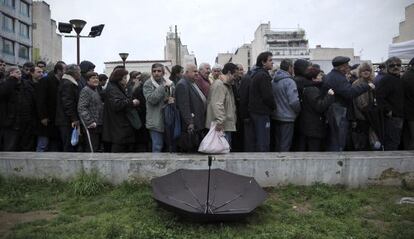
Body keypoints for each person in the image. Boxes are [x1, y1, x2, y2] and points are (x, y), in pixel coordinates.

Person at [323, 56, 374, 151]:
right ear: (341, 67)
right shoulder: (337, 78)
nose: (348, 68)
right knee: (338, 140)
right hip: (338, 110)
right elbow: (349, 92)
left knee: (336, 139)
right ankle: (336, 161)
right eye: (346, 66)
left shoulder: (333, 75)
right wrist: (366, 86)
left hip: (336, 110)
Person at [102, 68, 139, 152]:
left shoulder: (116, 87)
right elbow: (116, 104)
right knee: (118, 150)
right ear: (119, 78)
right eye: (125, 78)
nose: (126, 80)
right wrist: (132, 102)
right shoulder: (113, 89)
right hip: (117, 125)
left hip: (118, 125)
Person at [299, 67, 335, 151]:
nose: (321, 77)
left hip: (311, 125)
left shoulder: (310, 88)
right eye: (319, 75)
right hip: (313, 126)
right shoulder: (312, 90)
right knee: (314, 150)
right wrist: (329, 96)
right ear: (313, 78)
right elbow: (319, 106)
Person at [143, 63, 175, 152]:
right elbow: (152, 99)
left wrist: (171, 99)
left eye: (159, 71)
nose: (156, 73)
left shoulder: (170, 83)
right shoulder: (148, 84)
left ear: (163, 72)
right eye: (154, 71)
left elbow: (174, 97)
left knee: (169, 147)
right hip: (155, 120)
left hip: (168, 119)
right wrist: (162, 87)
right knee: (157, 146)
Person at [248, 51, 276, 152]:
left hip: (256, 112)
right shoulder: (263, 76)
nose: (272, 63)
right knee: (263, 141)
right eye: (270, 60)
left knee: (259, 139)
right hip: (261, 113)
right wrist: (274, 107)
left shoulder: (256, 74)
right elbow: (267, 96)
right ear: (263, 62)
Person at [175, 63, 207, 152]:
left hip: (197, 122)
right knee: (190, 150)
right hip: (190, 125)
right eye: (194, 71)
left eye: (197, 71)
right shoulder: (182, 84)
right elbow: (184, 106)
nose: (197, 73)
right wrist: (190, 122)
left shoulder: (192, 82)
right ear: (187, 72)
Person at [35, 61, 66, 152]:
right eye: (65, 70)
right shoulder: (46, 80)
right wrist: (43, 117)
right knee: (43, 144)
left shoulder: (61, 82)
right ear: (59, 71)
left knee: (54, 145)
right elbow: (40, 100)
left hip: (55, 119)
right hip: (46, 120)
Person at [272, 59, 301, 152]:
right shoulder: (289, 82)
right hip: (287, 117)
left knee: (278, 143)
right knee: (285, 144)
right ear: (289, 68)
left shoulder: (274, 81)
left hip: (276, 116)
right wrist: (298, 111)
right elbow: (294, 101)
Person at [205, 63, 237, 145]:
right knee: (222, 152)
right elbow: (217, 104)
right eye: (234, 75)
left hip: (224, 125)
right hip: (222, 126)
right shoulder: (220, 85)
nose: (235, 78)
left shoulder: (225, 84)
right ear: (229, 73)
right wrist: (220, 121)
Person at [376, 57, 404, 150]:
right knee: (392, 143)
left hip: (399, 116)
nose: (396, 67)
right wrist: (388, 111)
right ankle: (389, 164)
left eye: (398, 65)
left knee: (396, 142)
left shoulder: (398, 79)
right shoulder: (387, 80)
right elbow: (379, 96)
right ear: (387, 67)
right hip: (392, 118)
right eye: (392, 65)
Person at [55, 64, 81, 152]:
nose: (80, 74)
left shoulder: (68, 82)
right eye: (79, 72)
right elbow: (68, 103)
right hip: (66, 120)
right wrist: (74, 118)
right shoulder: (68, 84)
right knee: (68, 145)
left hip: (66, 119)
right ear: (74, 73)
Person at [352, 62, 376, 150]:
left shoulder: (373, 81)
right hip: (362, 115)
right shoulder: (357, 83)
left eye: (368, 70)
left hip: (371, 114)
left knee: (371, 137)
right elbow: (359, 102)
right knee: (363, 137)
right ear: (360, 72)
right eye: (363, 70)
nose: (366, 72)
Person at [78, 72, 104, 152]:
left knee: (96, 148)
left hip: (98, 124)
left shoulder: (95, 90)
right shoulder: (86, 90)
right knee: (91, 149)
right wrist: (89, 121)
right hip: (91, 126)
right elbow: (81, 107)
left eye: (97, 78)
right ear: (87, 80)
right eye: (93, 78)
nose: (96, 80)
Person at [402, 57, 414, 150]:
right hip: (411, 112)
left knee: (409, 137)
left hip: (408, 111)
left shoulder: (406, 75)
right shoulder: (410, 76)